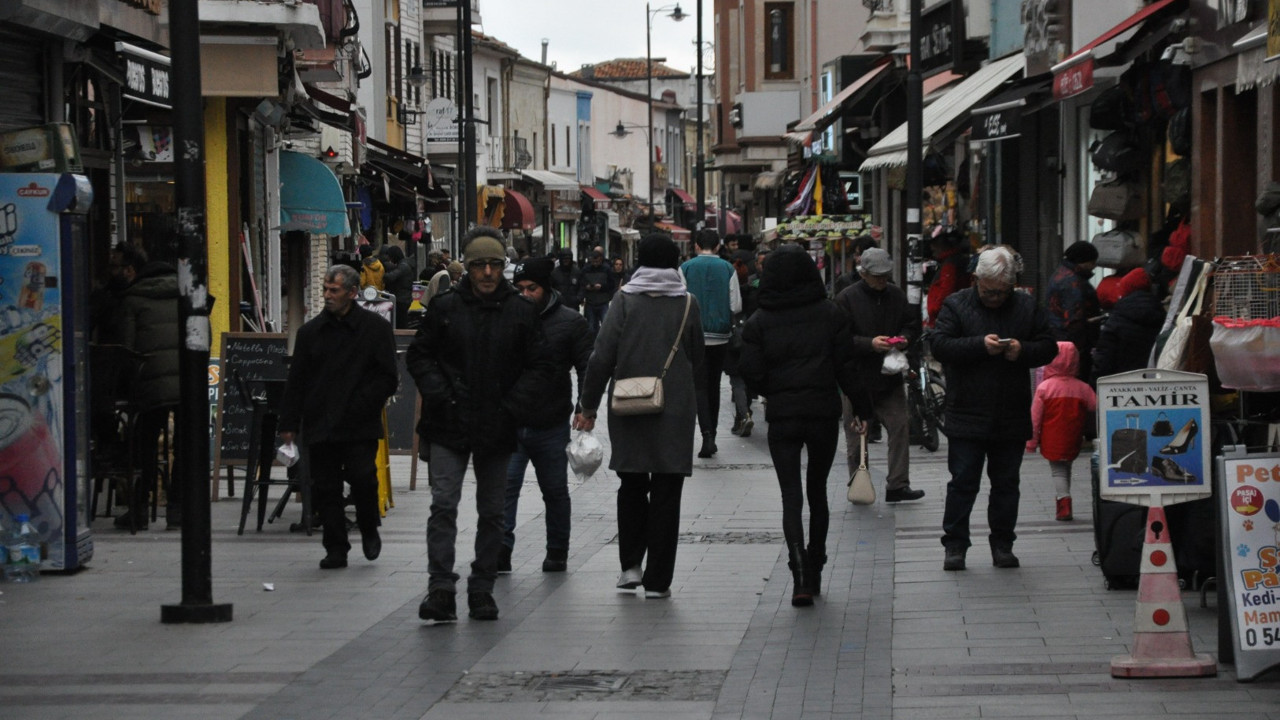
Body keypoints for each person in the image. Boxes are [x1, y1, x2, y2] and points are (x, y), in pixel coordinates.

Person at [408, 228, 552, 623]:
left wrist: (512, 406)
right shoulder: (445, 308)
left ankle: (482, 588)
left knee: (492, 511)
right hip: (448, 421)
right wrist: (440, 393)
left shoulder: (520, 311)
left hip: (497, 423)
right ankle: (441, 587)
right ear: (468, 269)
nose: (487, 272)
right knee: (444, 505)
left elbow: (540, 366)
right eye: (479, 265)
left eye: (493, 265)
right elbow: (420, 356)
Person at [573, 234, 705, 599]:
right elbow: (697, 358)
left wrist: (587, 407)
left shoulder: (624, 300)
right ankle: (659, 579)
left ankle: (631, 566)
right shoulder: (688, 303)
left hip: (629, 405)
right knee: (667, 490)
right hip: (675, 408)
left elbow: (601, 357)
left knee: (631, 485)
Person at [738, 247, 866, 607]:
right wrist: (862, 407)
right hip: (822, 411)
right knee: (818, 492)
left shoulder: (760, 321)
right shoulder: (830, 314)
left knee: (790, 497)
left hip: (784, 415)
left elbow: (749, 369)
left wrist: (771, 389)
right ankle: (816, 563)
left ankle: (799, 577)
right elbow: (847, 366)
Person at [931, 246, 1058, 571]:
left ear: (1012, 285)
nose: (996, 298)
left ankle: (1003, 545)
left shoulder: (1027, 305)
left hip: (1011, 412)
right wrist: (978, 345)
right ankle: (955, 547)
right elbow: (940, 345)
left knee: (1006, 484)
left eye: (1003, 292)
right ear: (977, 281)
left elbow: (1050, 346)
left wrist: (1022, 350)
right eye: (989, 292)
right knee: (962, 482)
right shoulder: (956, 304)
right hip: (966, 411)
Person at [278, 264, 398, 569]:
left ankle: (369, 527)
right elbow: (297, 381)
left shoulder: (374, 329)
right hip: (321, 421)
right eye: (325, 290)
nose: (328, 296)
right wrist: (289, 423)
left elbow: (388, 377)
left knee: (363, 478)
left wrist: (364, 403)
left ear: (352, 293)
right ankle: (335, 546)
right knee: (325, 486)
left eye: (335, 290)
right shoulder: (310, 333)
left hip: (359, 421)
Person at [501, 256, 592, 574]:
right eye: (520, 288)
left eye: (532, 288)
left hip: (551, 421)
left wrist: (585, 407)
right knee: (505, 486)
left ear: (546, 287)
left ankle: (557, 552)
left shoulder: (570, 322)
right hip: (510, 420)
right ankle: (501, 551)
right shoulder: (504, 317)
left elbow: (586, 366)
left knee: (554, 490)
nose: (524, 294)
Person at [835, 248, 926, 503]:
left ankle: (898, 484)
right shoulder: (846, 298)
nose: (882, 281)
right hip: (856, 380)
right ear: (863, 273)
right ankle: (858, 483)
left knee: (899, 426)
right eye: (877, 276)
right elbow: (839, 340)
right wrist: (869, 344)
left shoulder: (896, 296)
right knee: (856, 437)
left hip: (889, 376)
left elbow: (911, 325)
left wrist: (904, 339)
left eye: (886, 276)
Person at [112, 248, 181, 530]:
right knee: (185, 446)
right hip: (184, 383)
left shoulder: (133, 298)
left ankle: (140, 508)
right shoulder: (188, 294)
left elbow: (125, 347)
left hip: (149, 382)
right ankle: (177, 509)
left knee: (145, 444)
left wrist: (125, 384)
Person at [681, 229, 741, 458]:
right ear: (718, 247)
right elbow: (735, 305)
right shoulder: (728, 269)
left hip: (694, 334)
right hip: (721, 335)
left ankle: (705, 433)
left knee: (699, 385)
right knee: (714, 384)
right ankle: (712, 433)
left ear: (696, 246)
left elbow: (680, 300)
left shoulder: (685, 268)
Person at [1027, 341, 1097, 521]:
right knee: (1067, 466)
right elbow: (1095, 407)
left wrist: (1031, 442)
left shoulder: (1045, 388)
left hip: (1052, 437)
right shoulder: (1082, 387)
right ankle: (1064, 497)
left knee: (1057, 470)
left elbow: (1035, 418)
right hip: (1074, 436)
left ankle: (1063, 501)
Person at [1092, 267, 1163, 380]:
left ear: (1126, 290)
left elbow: (1104, 358)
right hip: (1157, 381)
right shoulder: (1162, 315)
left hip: (1122, 384)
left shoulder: (1117, 319)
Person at [1046, 241, 1100, 382]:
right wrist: (1080, 351)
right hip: (1073, 346)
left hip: (1061, 341)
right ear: (1083, 261)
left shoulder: (1061, 273)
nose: (1094, 266)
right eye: (1092, 262)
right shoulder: (1072, 282)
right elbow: (1075, 319)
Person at [725, 247, 759, 437]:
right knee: (746, 379)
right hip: (752, 339)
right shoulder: (757, 288)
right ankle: (744, 414)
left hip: (733, 338)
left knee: (736, 381)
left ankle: (743, 415)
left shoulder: (729, 287)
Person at [925, 227, 971, 328]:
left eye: (934, 250)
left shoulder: (949, 264)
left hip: (943, 315)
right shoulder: (953, 261)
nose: (933, 253)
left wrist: (934, 310)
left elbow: (947, 289)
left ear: (941, 247)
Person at [581, 250, 614, 336]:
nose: (595, 263)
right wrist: (586, 287)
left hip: (603, 301)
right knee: (591, 327)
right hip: (590, 302)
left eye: (597, 261)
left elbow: (611, 284)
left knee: (605, 325)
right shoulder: (586, 270)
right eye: (594, 261)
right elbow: (581, 283)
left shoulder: (606, 269)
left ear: (601, 260)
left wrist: (602, 287)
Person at [381, 244, 413, 328]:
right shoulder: (403, 264)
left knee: (400, 323)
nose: (390, 259)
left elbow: (390, 277)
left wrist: (383, 273)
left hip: (401, 299)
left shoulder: (403, 266)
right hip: (403, 298)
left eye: (390, 257)